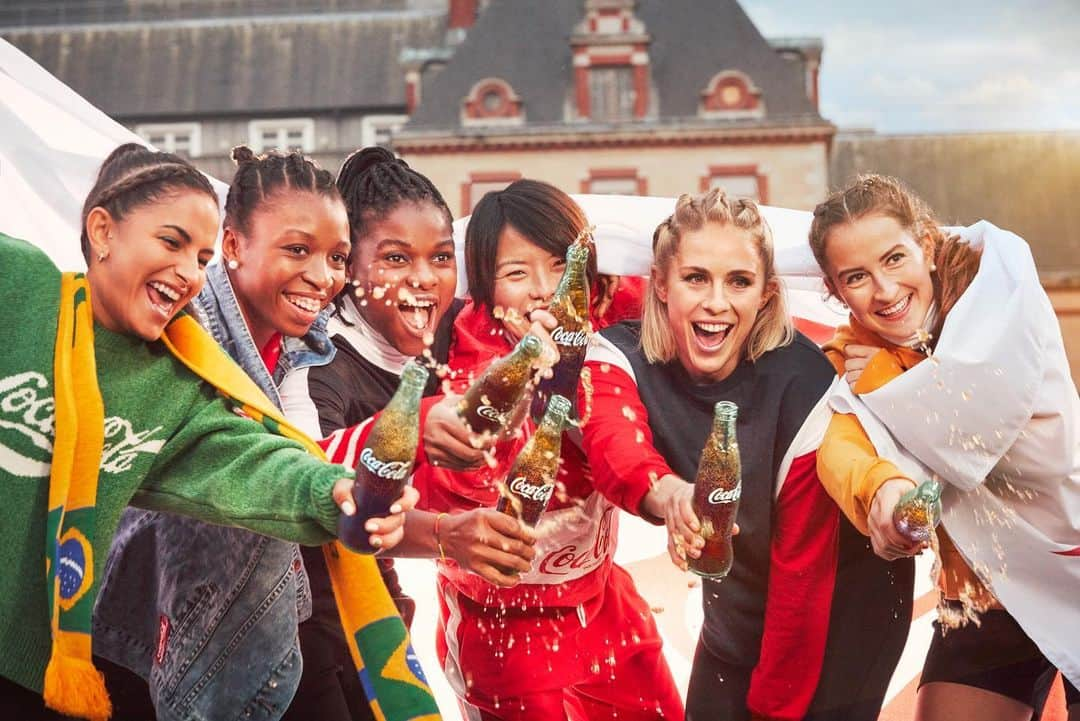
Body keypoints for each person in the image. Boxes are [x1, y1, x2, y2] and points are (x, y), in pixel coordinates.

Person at [0, 143, 417, 721]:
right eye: (170, 243)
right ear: (102, 231)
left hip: (38, 670)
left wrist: (333, 492)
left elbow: (243, 461)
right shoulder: (19, 285)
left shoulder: (177, 383)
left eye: (198, 259)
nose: (188, 274)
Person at [321, 178, 681, 720]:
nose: (543, 289)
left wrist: (667, 495)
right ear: (486, 289)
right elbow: (445, 480)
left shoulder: (604, 318)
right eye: (517, 274)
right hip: (501, 635)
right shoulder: (460, 365)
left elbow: (618, 432)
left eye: (560, 266)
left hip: (610, 609)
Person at [278, 146, 536, 720]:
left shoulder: (442, 334)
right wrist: (448, 534)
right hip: (297, 628)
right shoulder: (313, 365)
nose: (424, 280)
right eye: (395, 259)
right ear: (347, 266)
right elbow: (318, 493)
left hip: (380, 606)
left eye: (441, 258)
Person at [809, 174, 1080, 721]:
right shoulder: (855, 357)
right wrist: (883, 494)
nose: (884, 291)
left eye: (894, 259)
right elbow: (841, 441)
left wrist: (887, 378)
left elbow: (977, 418)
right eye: (855, 277)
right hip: (987, 591)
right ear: (836, 292)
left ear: (927, 246)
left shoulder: (998, 293)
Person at [580, 188, 844, 721]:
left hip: (832, 627)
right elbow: (613, 441)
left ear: (767, 294)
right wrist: (669, 493)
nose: (716, 303)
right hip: (729, 622)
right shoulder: (616, 353)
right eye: (695, 277)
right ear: (660, 282)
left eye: (739, 282)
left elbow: (805, 575)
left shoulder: (805, 379)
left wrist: (774, 711)